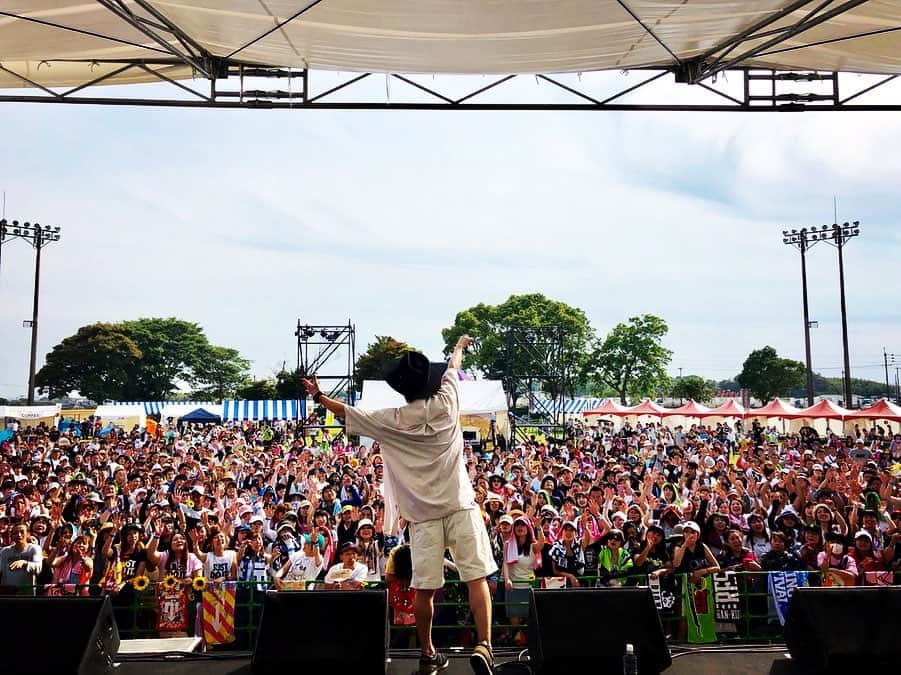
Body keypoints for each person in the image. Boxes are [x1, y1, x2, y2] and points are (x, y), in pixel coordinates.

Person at [303, 334, 497, 675]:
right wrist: (460, 347)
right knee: (476, 578)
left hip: (422, 516)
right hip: (460, 504)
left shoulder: (390, 419)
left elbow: (347, 411)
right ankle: (484, 644)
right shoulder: (447, 401)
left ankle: (427, 651)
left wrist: (318, 395)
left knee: (424, 588)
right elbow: (454, 367)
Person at [0, 523, 43, 594]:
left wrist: (24, 563)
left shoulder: (34, 548)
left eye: (22, 532)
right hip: (7, 594)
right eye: (16, 533)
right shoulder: (5, 551)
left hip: (26, 594)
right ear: (12, 536)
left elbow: (38, 567)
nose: (19, 535)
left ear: (28, 534)